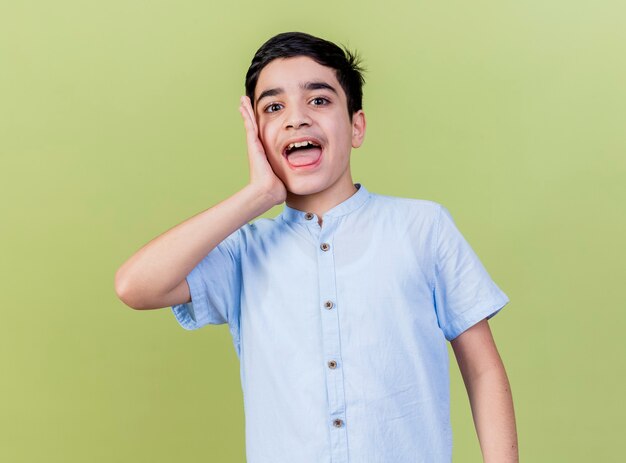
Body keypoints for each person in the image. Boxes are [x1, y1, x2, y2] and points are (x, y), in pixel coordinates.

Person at [115, 31, 518, 463]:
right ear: (255, 135)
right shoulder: (243, 253)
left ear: (356, 125)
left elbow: (482, 369)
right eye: (273, 107)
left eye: (319, 100)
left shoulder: (422, 228)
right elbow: (136, 286)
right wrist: (256, 196)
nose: (296, 119)